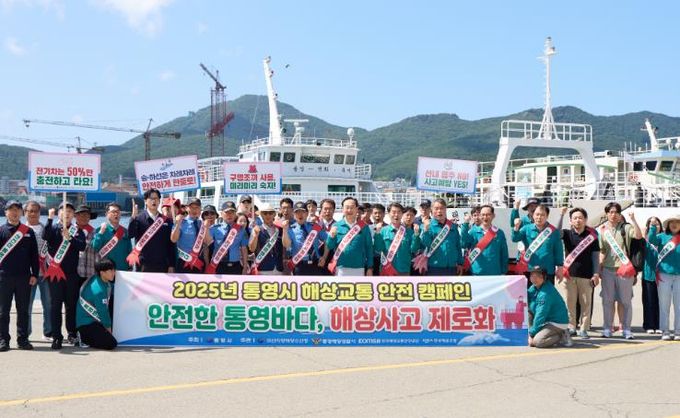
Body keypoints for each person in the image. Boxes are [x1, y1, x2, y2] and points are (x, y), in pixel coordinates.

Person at [43, 202, 87, 349]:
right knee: (55, 306)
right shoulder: (53, 228)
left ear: (73, 215)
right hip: (55, 273)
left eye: (70, 211)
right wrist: (49, 219)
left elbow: (82, 246)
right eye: (63, 210)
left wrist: (69, 238)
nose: (66, 213)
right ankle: (56, 336)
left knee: (71, 305)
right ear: (59, 213)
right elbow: (45, 236)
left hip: (71, 274)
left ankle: (72, 334)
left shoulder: (77, 230)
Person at [598, 203, 643, 339]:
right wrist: (599, 269)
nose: (613, 215)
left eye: (616, 212)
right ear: (606, 214)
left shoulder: (626, 227)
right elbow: (602, 251)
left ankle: (626, 329)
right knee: (607, 301)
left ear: (619, 214)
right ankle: (607, 328)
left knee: (625, 301)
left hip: (625, 269)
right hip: (608, 270)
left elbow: (638, 236)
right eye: (610, 212)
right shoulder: (603, 230)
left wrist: (633, 219)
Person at [0, 201, 39, 351]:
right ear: (6, 213)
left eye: (17, 209)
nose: (15, 212)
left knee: (23, 310)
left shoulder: (28, 231)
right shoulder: (1, 231)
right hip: (4, 277)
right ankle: (3, 340)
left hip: (24, 277)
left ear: (22, 213)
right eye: (11, 209)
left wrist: (35, 274)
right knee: (3, 311)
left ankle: (23, 340)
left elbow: (34, 256)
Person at [558, 207, 600, 339]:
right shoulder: (566, 234)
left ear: (585, 220)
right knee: (569, 303)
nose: (578, 220)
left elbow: (595, 257)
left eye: (580, 218)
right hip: (569, 275)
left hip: (586, 275)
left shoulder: (592, 236)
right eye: (575, 218)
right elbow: (556, 233)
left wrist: (596, 273)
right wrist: (561, 215)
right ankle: (572, 327)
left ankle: (584, 328)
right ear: (570, 221)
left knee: (586, 304)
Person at [511, 204, 564, 285]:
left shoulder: (554, 231)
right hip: (530, 269)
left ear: (547, 216)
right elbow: (515, 239)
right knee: (529, 292)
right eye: (537, 214)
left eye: (542, 215)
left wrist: (560, 267)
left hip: (547, 270)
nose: (539, 217)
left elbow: (558, 251)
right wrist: (516, 227)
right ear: (533, 215)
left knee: (546, 292)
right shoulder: (526, 228)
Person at [647, 214, 680, 341]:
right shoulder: (661, 236)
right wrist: (652, 226)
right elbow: (651, 239)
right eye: (672, 222)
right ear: (668, 224)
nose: (674, 224)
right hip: (664, 275)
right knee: (664, 304)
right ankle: (665, 330)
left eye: (677, 222)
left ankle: (678, 331)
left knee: (679, 305)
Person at [322, 197, 373, 276]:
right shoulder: (336, 226)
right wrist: (331, 237)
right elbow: (330, 246)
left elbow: (369, 248)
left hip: (359, 267)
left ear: (356, 209)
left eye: (352, 207)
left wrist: (370, 267)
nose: (349, 210)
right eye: (347, 207)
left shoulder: (364, 227)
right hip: (340, 267)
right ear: (342, 209)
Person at [127, 188, 175, 273]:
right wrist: (133, 217)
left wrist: (171, 264)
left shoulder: (167, 220)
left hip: (162, 264)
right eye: (151, 198)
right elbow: (130, 234)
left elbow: (171, 245)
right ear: (145, 201)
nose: (154, 201)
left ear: (159, 201)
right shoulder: (138, 219)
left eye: (156, 198)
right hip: (143, 264)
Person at [24, 200, 52, 341]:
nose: (33, 213)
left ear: (40, 213)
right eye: (30, 211)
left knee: (48, 304)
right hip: (28, 274)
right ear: (25, 213)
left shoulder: (46, 229)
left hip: (46, 272)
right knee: (26, 305)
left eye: (36, 211)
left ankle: (48, 333)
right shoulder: (21, 230)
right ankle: (25, 333)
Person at [76, 258, 117, 350]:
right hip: (86, 324)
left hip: (93, 321)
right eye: (110, 271)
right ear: (102, 273)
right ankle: (82, 338)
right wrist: (108, 330)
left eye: (114, 270)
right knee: (112, 343)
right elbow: (103, 312)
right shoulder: (98, 290)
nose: (113, 273)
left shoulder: (98, 279)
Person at [527, 267, 572, 348]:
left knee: (538, 342)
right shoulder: (534, 287)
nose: (534, 279)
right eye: (532, 276)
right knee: (529, 312)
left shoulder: (546, 293)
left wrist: (531, 334)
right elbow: (525, 297)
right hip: (546, 321)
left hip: (557, 323)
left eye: (538, 276)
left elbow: (540, 315)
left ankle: (562, 335)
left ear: (544, 278)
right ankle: (534, 333)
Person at [416, 198, 463, 276]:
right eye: (436, 208)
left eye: (442, 208)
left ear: (445, 209)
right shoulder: (426, 225)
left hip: (452, 267)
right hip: (433, 267)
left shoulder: (453, 226)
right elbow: (425, 245)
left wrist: (460, 263)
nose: (439, 211)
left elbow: (458, 246)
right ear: (431, 210)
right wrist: (426, 230)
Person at [373, 203, 421, 275]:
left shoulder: (410, 232)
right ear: (388, 214)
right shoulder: (383, 230)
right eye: (394, 212)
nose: (396, 215)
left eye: (399, 212)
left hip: (403, 270)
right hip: (386, 269)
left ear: (402, 214)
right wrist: (377, 233)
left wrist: (416, 235)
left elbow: (414, 250)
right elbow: (378, 249)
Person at [460, 205, 509, 276]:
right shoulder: (473, 232)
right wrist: (465, 224)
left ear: (493, 216)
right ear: (480, 216)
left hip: (495, 272)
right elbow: (463, 244)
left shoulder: (499, 233)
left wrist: (504, 271)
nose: (485, 217)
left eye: (488, 214)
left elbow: (504, 253)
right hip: (477, 273)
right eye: (483, 214)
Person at [204, 202, 249, 274]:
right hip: (218, 264)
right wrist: (206, 228)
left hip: (235, 265)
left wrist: (245, 266)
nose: (229, 215)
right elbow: (207, 242)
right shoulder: (215, 228)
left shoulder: (241, 230)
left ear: (235, 214)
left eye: (232, 212)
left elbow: (244, 249)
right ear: (221, 214)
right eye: (227, 212)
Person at [282, 202, 327, 276]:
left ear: (307, 213)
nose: (300, 214)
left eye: (302, 212)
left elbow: (327, 240)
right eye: (297, 212)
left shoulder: (315, 227)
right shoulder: (290, 229)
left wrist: (324, 257)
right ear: (294, 214)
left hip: (316, 264)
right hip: (299, 265)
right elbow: (287, 245)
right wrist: (284, 230)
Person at [91, 203, 132, 272]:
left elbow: (129, 250)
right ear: (107, 214)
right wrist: (100, 233)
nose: (116, 214)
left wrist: (130, 266)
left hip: (123, 270)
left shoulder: (125, 231)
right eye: (113, 212)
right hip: (106, 271)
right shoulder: (100, 230)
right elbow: (95, 247)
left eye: (118, 212)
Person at [171, 198, 206, 273]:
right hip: (183, 261)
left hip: (199, 262)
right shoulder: (181, 222)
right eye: (191, 207)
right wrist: (178, 224)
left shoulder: (202, 224)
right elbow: (173, 239)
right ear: (187, 208)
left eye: (197, 207)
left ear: (200, 209)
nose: (194, 210)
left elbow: (207, 243)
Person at [639, 216, 662, 334]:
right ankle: (648, 324)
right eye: (652, 224)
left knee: (660, 302)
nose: (654, 226)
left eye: (657, 224)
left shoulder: (664, 238)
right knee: (648, 300)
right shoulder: (646, 240)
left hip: (662, 275)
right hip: (648, 274)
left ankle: (659, 325)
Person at [249, 203, 284, 275]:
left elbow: (285, 247)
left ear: (274, 214)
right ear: (261, 215)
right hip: (263, 268)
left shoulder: (280, 229)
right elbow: (252, 249)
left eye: (270, 213)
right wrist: (255, 236)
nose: (268, 215)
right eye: (265, 213)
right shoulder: (256, 229)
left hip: (279, 267)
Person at [75, 205, 98, 287]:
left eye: (87, 215)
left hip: (90, 272)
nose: (84, 217)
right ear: (75, 216)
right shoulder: (69, 231)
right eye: (81, 215)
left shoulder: (96, 233)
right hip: (72, 273)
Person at [318, 199, 336, 276]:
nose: (327, 211)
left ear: (334, 210)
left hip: (333, 262)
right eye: (325, 209)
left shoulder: (338, 226)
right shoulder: (315, 226)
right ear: (321, 210)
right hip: (317, 261)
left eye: (330, 209)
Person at [369, 203, 386, 274]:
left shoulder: (388, 228)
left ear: (384, 214)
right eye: (375, 213)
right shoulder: (368, 228)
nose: (377, 215)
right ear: (371, 214)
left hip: (386, 260)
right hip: (372, 259)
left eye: (380, 213)